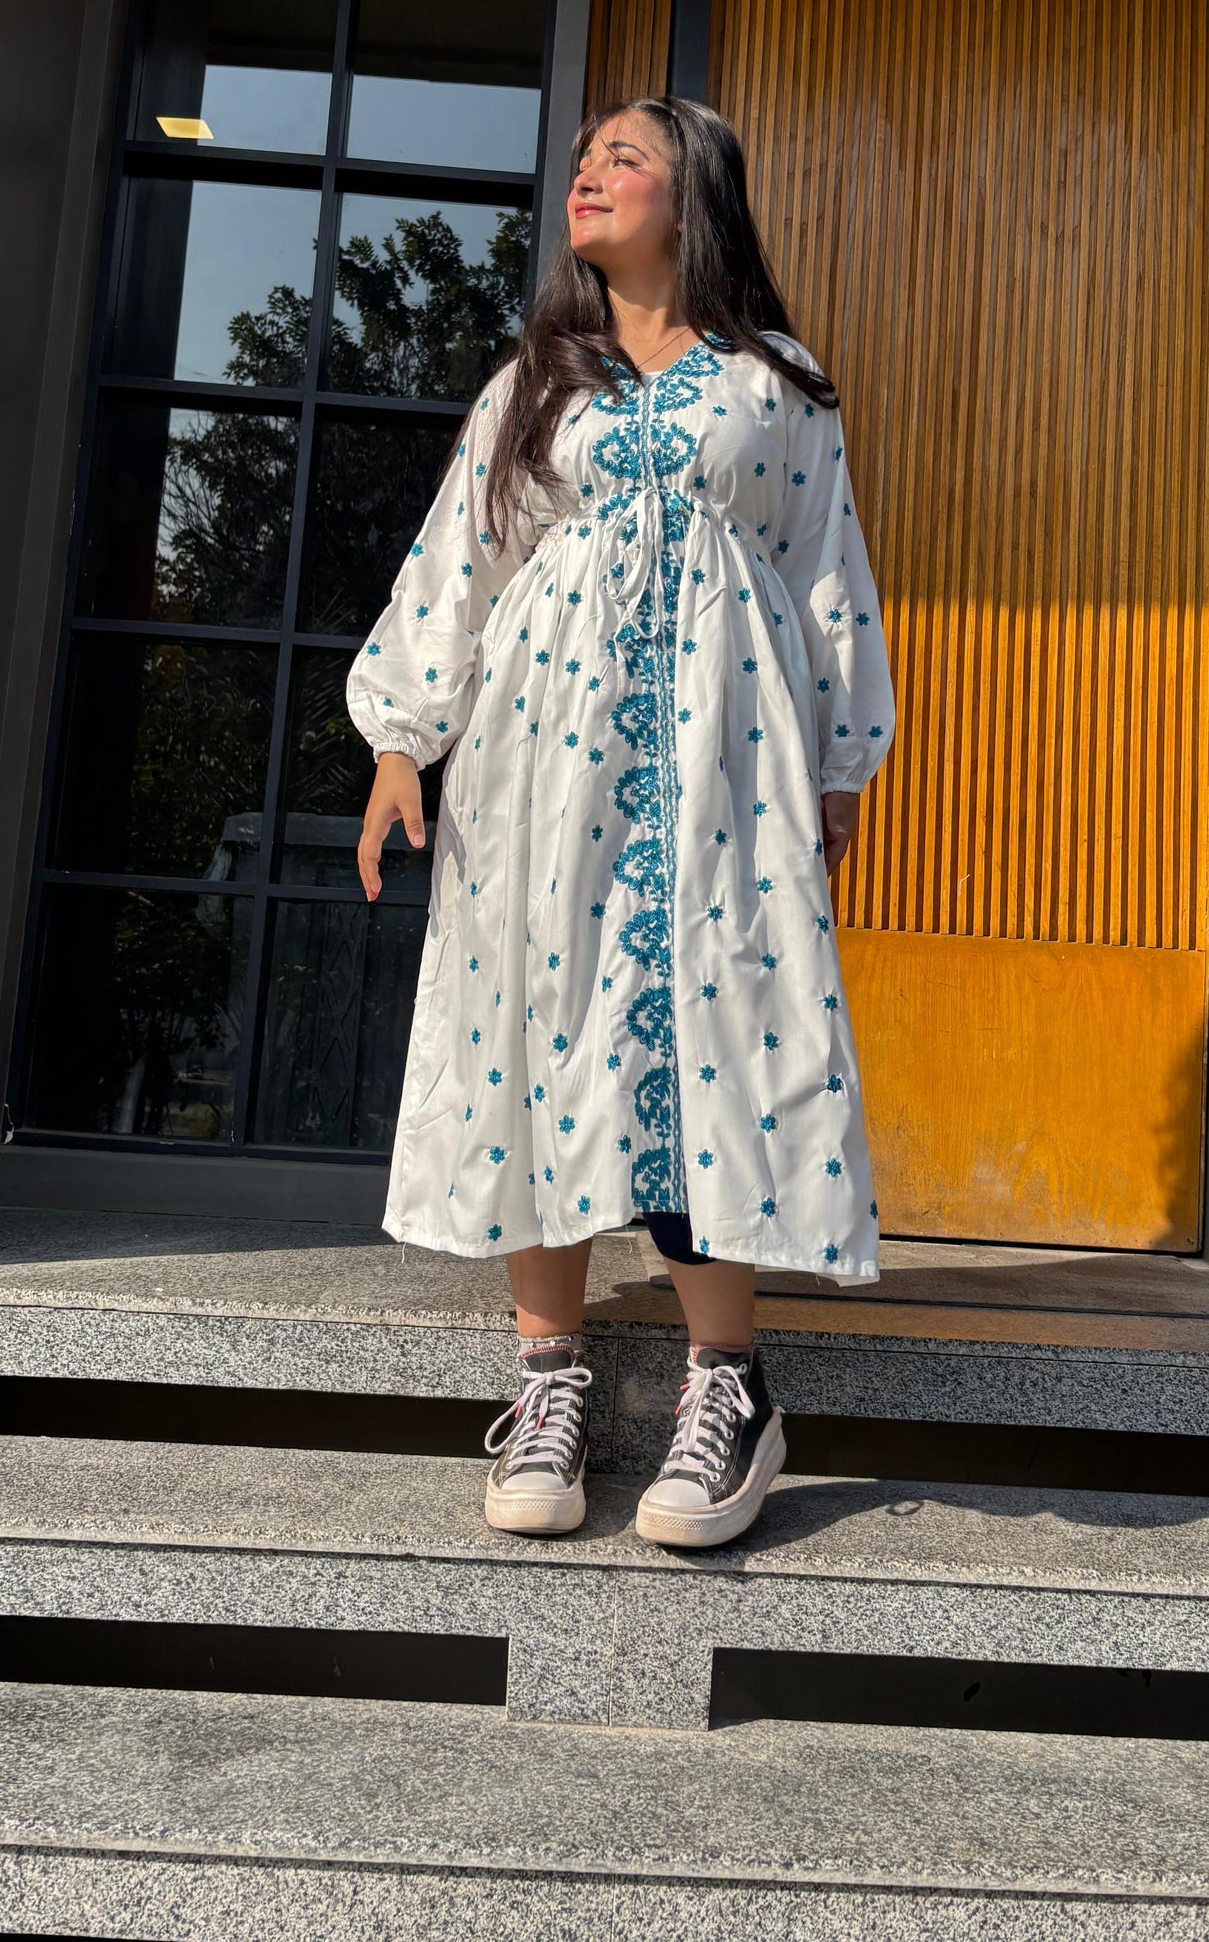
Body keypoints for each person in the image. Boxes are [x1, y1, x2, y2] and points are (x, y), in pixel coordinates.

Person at [349, 96, 894, 1550]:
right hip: (540, 760)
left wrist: (839, 765)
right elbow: (464, 556)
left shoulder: (775, 385)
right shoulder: (536, 382)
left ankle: (730, 1388)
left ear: (692, 195)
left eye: (624, 157)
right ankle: (548, 1383)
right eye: (583, 157)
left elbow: (824, 573)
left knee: (716, 1030)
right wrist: (403, 739)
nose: (587, 173)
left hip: (721, 765)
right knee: (534, 1022)